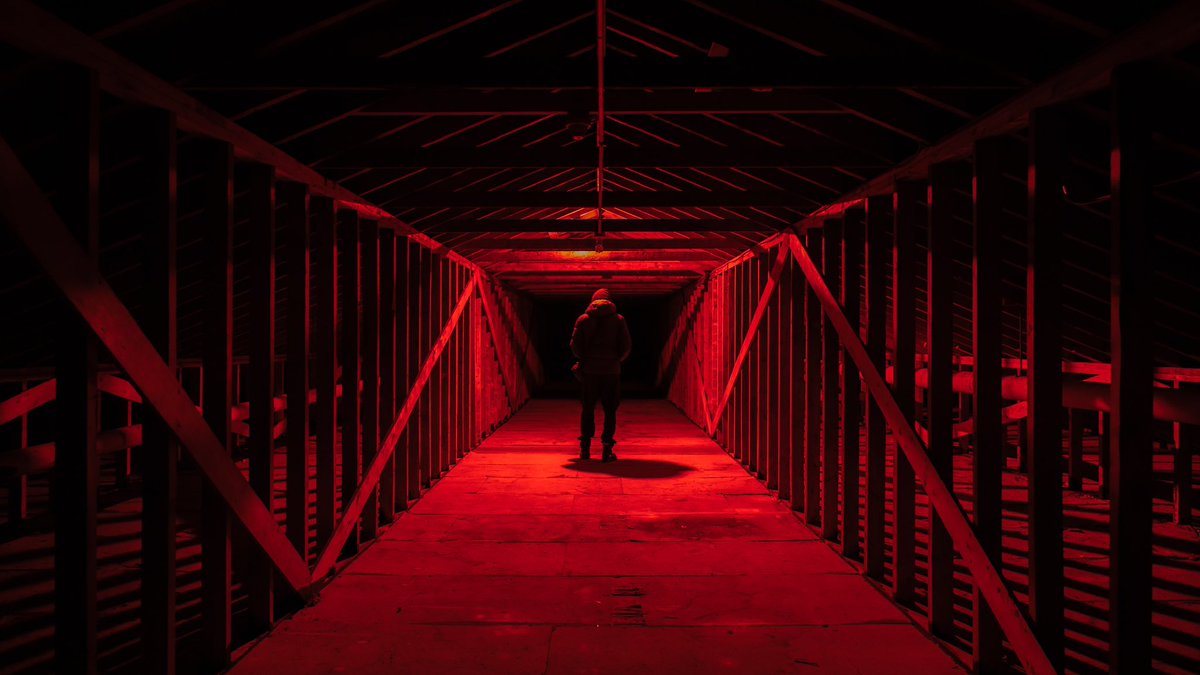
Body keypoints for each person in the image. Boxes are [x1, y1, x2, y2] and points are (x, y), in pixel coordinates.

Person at [569, 288, 632, 462]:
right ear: (610, 301)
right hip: (611, 371)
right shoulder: (619, 320)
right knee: (610, 410)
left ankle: (585, 449)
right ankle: (606, 448)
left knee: (587, 408)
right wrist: (615, 360)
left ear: (593, 301)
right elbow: (626, 346)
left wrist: (584, 359)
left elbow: (574, 345)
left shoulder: (583, 319)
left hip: (590, 371)